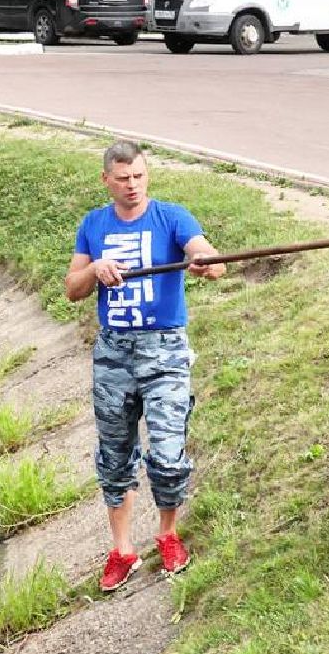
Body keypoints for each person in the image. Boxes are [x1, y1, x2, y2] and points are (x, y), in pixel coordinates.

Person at [65, 140, 226, 592]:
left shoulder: (172, 216)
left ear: (146, 174)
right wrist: (94, 269)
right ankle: (122, 551)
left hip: (165, 351)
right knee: (115, 456)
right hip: (113, 354)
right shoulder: (93, 225)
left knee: (169, 454)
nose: (132, 185)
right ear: (106, 181)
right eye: (122, 178)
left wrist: (203, 263)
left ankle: (168, 535)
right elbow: (72, 289)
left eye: (138, 176)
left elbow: (210, 260)